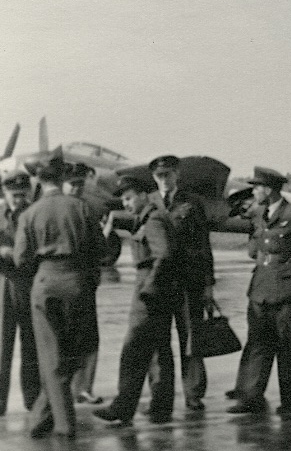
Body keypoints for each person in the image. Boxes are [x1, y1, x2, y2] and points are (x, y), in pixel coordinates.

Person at [227, 167, 291, 417]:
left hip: (287, 286)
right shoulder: (259, 214)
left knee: (289, 345)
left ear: (269, 189)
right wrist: (255, 250)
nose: (253, 191)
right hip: (261, 286)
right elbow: (255, 240)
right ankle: (249, 396)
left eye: (256, 187)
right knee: (256, 343)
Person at [14, 160, 105, 439]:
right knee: (75, 353)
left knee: (51, 356)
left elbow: (21, 259)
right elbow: (99, 248)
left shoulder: (29, 214)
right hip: (77, 282)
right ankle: (42, 419)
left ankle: (62, 425)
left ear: (39, 182)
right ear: (62, 178)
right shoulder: (81, 207)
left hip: (45, 282)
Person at [93, 175, 176, 426]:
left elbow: (164, 256)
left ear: (143, 195)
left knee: (133, 351)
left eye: (129, 198)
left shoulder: (153, 220)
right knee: (159, 351)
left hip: (150, 292)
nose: (126, 204)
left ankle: (123, 407)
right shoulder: (151, 217)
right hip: (157, 290)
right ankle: (161, 406)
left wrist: (149, 290)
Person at [146, 154, 214, 415]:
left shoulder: (192, 202)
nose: (164, 180)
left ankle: (194, 393)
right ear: (154, 178)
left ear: (177, 175)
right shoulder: (149, 203)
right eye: (159, 176)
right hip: (161, 283)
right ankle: (160, 395)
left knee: (190, 338)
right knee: (159, 341)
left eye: (168, 175)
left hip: (188, 282)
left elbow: (204, 245)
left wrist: (208, 285)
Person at [0, 169, 39, 417]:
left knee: (32, 344)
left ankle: (33, 398)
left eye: (22, 194)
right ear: (4, 192)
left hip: (30, 283)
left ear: (29, 191)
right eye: (13, 194)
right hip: (1, 283)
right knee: (0, 345)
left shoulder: (36, 215)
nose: (18, 199)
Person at [63, 162, 104, 405]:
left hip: (83, 283)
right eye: (73, 184)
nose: (77, 188)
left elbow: (100, 248)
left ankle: (83, 387)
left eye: (81, 184)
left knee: (87, 337)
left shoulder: (86, 210)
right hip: (66, 280)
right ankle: (63, 389)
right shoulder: (71, 209)